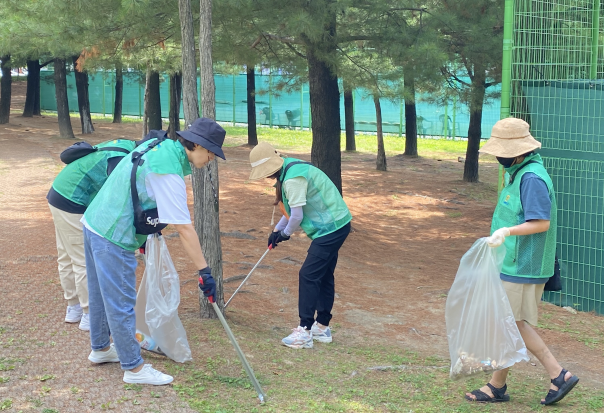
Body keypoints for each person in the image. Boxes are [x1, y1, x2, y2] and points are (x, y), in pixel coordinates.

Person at [81, 119, 225, 385]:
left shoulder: (161, 146)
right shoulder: (168, 169)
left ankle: (101, 349)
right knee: (121, 303)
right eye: (211, 151)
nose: (212, 157)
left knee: (101, 294)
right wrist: (204, 271)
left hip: (95, 222)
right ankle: (134, 369)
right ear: (195, 144)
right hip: (113, 233)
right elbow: (184, 228)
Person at [465, 117, 579, 405]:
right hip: (514, 262)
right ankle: (496, 386)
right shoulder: (521, 172)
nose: (499, 157)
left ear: (519, 151)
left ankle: (558, 374)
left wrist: (507, 231)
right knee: (510, 323)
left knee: (514, 324)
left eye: (503, 151)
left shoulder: (531, 178)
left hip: (524, 265)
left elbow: (540, 222)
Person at [248, 143, 352, 349]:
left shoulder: (292, 179)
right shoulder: (289, 168)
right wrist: (277, 231)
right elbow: (290, 212)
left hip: (331, 229)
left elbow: (297, 216)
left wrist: (285, 235)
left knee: (308, 274)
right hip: (336, 225)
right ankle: (322, 327)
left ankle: (305, 330)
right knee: (323, 275)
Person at [47, 139, 135, 331]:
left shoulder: (121, 145)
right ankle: (89, 314)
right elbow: (117, 195)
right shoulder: (121, 158)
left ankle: (74, 307)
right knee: (82, 259)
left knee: (66, 255)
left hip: (58, 193)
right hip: (71, 200)